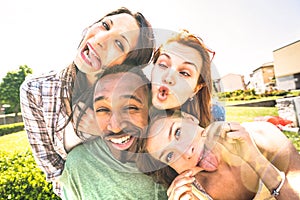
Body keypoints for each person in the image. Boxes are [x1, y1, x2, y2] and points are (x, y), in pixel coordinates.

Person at [20, 7, 155, 196]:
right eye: (105, 26)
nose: (100, 40)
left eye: (118, 43)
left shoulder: (136, 99)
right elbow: (53, 170)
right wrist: (82, 134)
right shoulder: (36, 91)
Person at [59, 65, 167, 199]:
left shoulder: (173, 159)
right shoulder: (79, 165)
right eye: (102, 109)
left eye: (130, 107)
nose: (115, 127)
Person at [140, 110, 300, 199]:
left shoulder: (264, 135)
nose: (187, 152)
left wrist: (256, 159)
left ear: (190, 118)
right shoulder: (190, 195)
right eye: (169, 156)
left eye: (178, 132)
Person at [150, 29, 223, 128]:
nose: (168, 78)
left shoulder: (215, 115)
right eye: (163, 65)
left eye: (184, 73)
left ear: (196, 89)